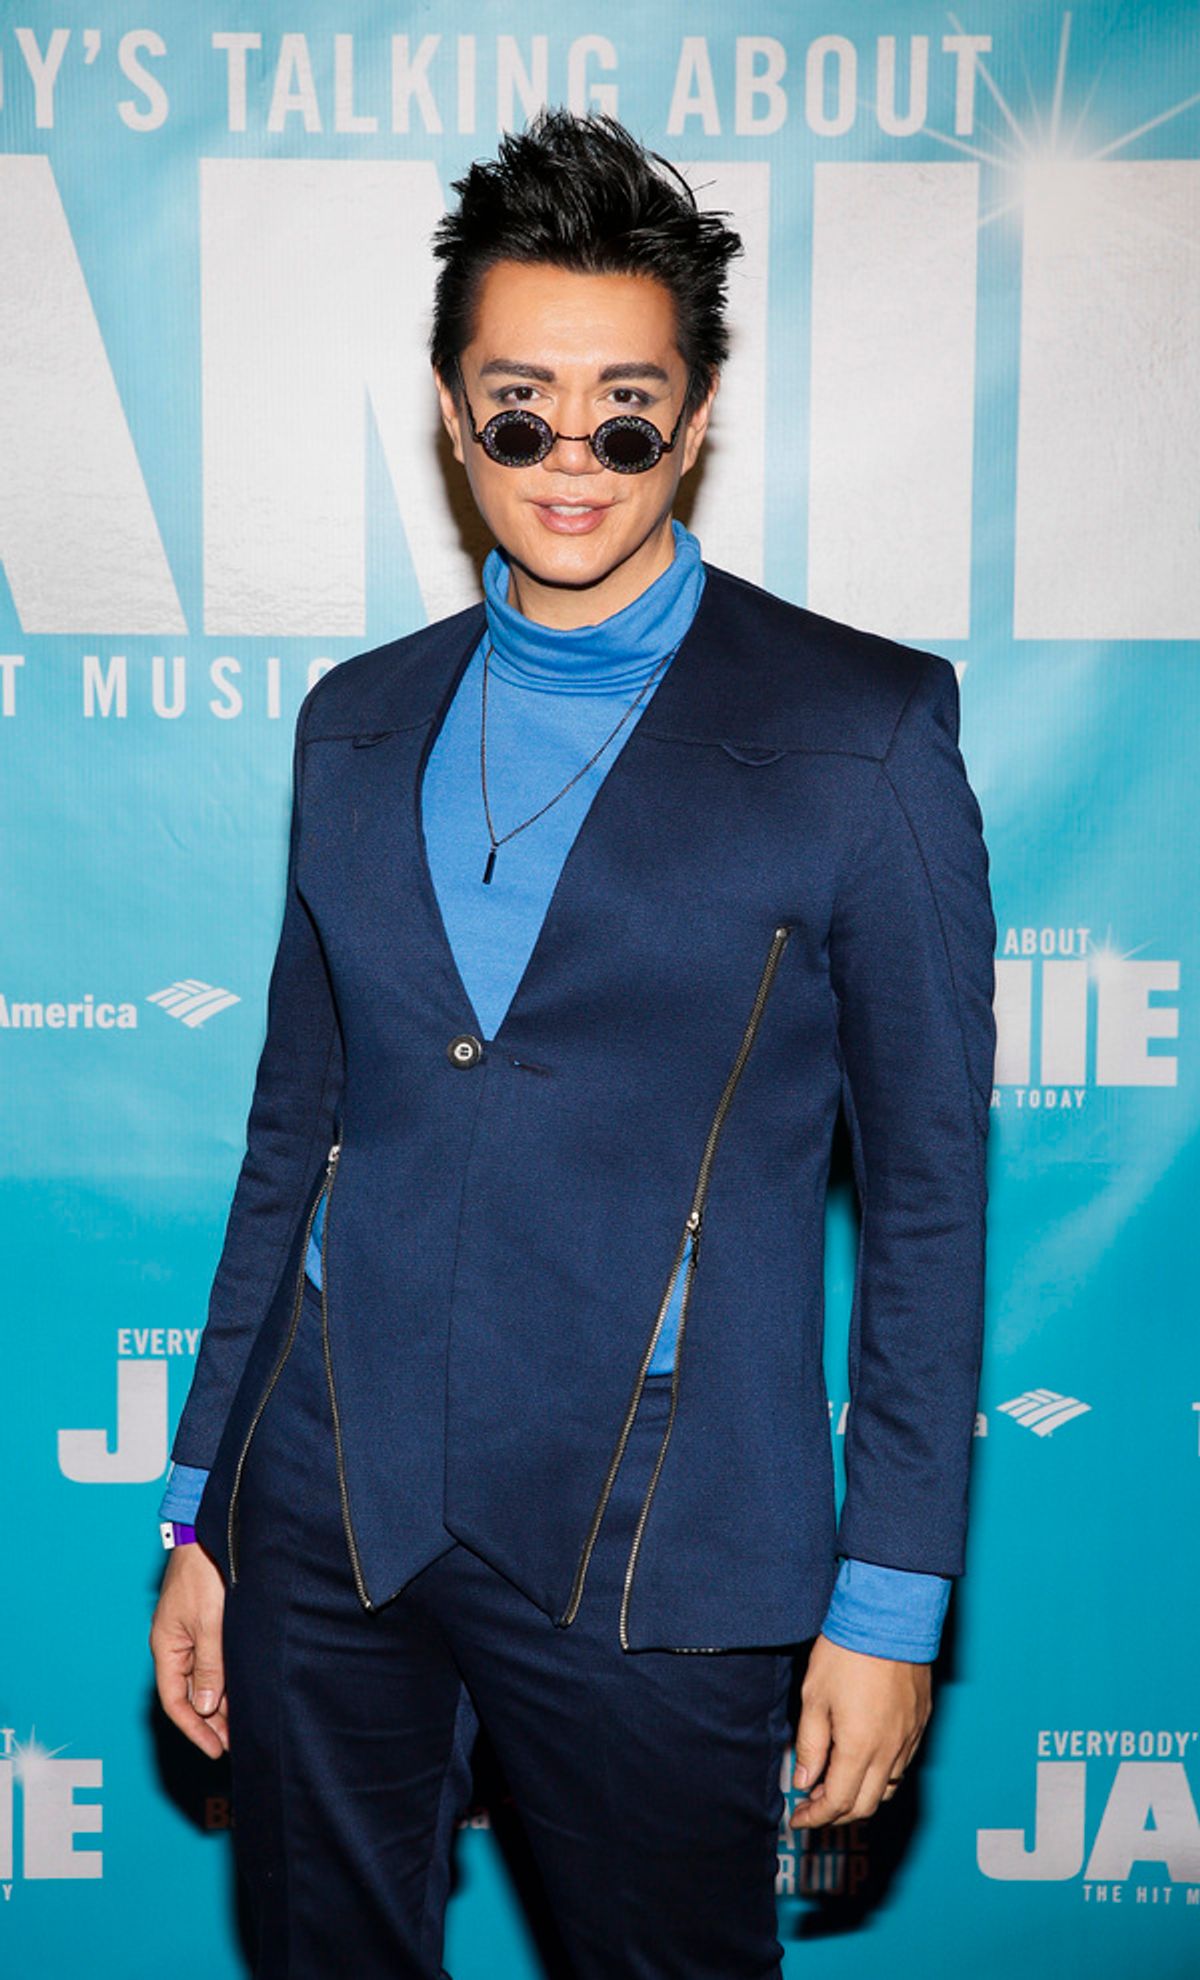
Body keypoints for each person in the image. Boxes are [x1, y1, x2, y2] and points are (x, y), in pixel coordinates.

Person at [150, 110, 996, 1979]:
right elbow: (293, 1133)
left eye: (629, 407)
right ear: (455, 414)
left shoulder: (863, 733)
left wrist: (894, 1597)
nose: (573, 456)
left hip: (663, 1532)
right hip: (330, 1500)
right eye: (519, 403)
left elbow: (930, 1205)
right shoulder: (352, 725)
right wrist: (203, 1502)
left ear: (694, 418)